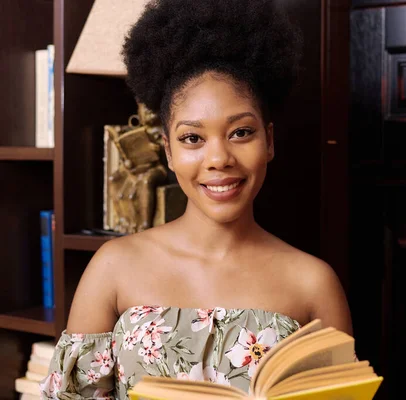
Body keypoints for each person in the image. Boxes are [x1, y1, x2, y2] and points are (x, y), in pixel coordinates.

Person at [40, 0, 352, 398]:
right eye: (193, 138)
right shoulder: (112, 269)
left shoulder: (314, 285)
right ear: (168, 151)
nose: (219, 158)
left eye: (241, 132)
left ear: (269, 141)